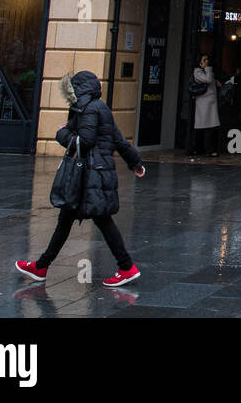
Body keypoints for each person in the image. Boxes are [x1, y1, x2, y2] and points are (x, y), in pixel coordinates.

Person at [15, 70, 145, 287]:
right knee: (66, 221)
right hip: (92, 174)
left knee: (100, 220)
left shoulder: (88, 109)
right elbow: (118, 139)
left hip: (89, 175)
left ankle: (127, 267)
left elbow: (85, 141)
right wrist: (135, 162)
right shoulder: (99, 107)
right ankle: (41, 266)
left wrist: (61, 134)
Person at [189, 54, 222, 157]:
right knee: (205, 127)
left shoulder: (207, 71)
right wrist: (208, 69)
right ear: (200, 63)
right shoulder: (198, 72)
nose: (207, 61)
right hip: (204, 104)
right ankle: (203, 149)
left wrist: (216, 81)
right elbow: (207, 80)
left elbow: (210, 80)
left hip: (210, 102)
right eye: (204, 60)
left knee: (210, 127)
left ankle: (206, 149)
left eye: (207, 59)